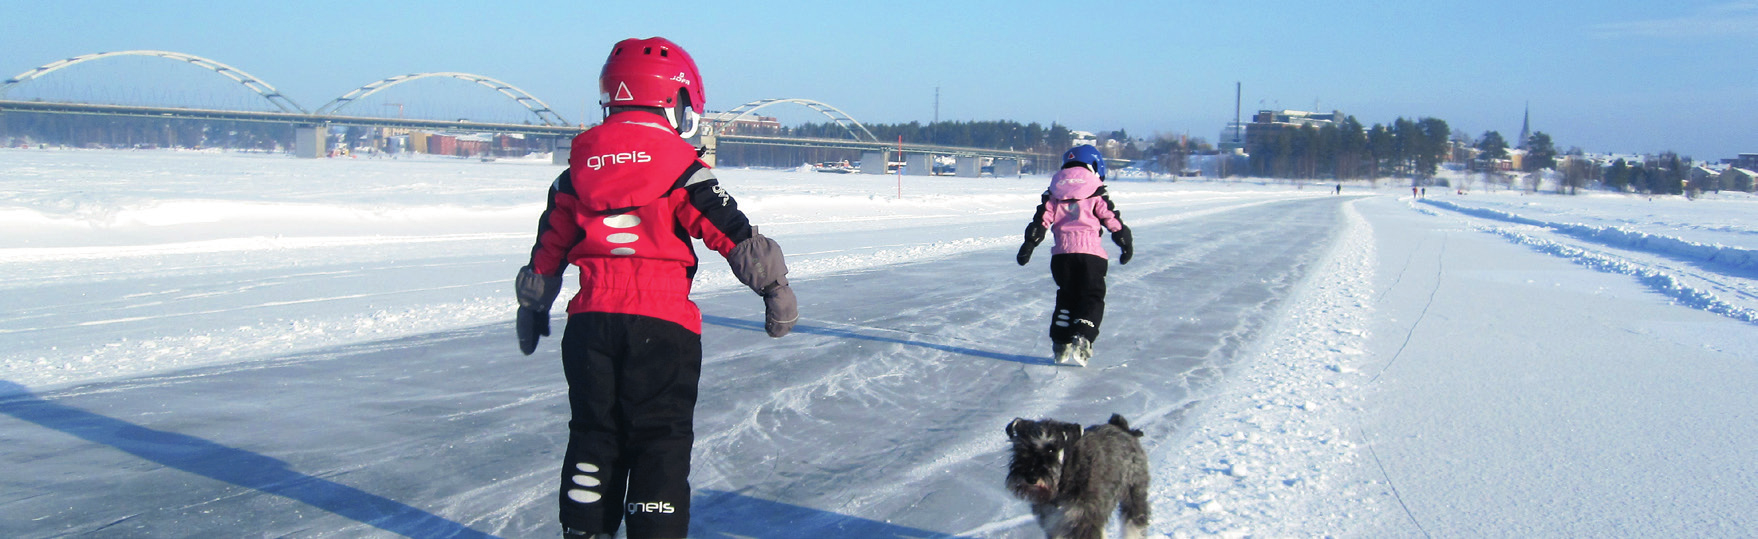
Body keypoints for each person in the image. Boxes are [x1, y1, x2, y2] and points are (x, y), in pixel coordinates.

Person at [514, 36, 797, 539]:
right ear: (676, 102)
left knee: (594, 433)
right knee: (659, 440)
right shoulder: (683, 171)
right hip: (662, 329)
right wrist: (773, 287)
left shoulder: (574, 175)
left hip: (589, 326)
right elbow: (729, 230)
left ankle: (585, 528)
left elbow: (550, 244)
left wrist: (535, 301)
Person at [1015, 145, 1133, 367]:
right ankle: (1083, 332)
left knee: (1067, 296)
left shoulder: (1054, 193)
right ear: (1096, 166)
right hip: (1091, 256)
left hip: (1062, 257)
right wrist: (1125, 242)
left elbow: (1040, 222)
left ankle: (1061, 341)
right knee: (1092, 295)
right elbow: (1111, 220)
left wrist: (1029, 244)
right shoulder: (1096, 192)